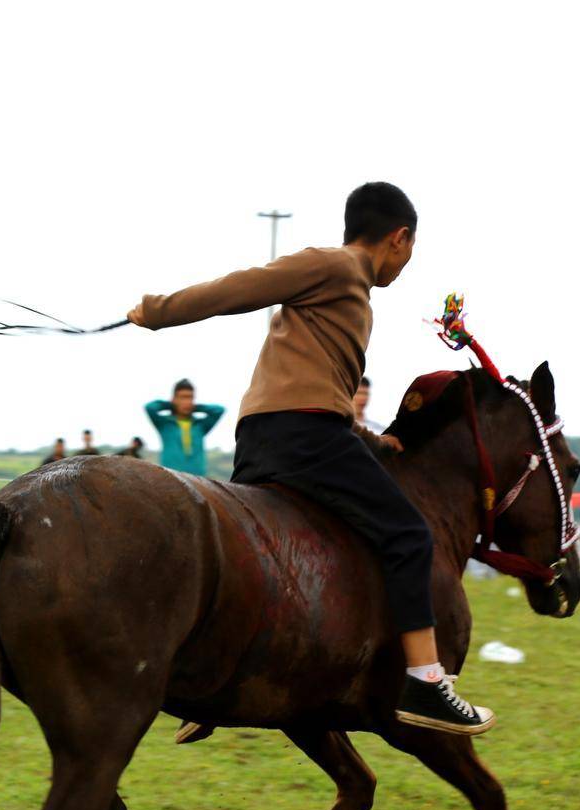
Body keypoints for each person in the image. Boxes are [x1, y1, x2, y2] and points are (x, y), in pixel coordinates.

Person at [129, 180, 490, 735]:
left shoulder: (349, 293)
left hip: (268, 437)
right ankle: (425, 681)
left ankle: (216, 693)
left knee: (268, 556)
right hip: (303, 434)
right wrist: (157, 311)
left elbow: (324, 385)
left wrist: (372, 442)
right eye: (410, 249)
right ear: (399, 238)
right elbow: (240, 288)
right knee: (410, 536)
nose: (406, 261)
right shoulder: (338, 267)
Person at [145, 379, 225, 475]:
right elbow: (150, 407)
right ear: (174, 399)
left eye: (190, 398)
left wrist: (196, 407)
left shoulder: (201, 426)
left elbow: (219, 410)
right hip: (171, 478)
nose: (187, 401)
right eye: (183, 397)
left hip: (198, 480)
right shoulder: (164, 424)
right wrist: (171, 405)